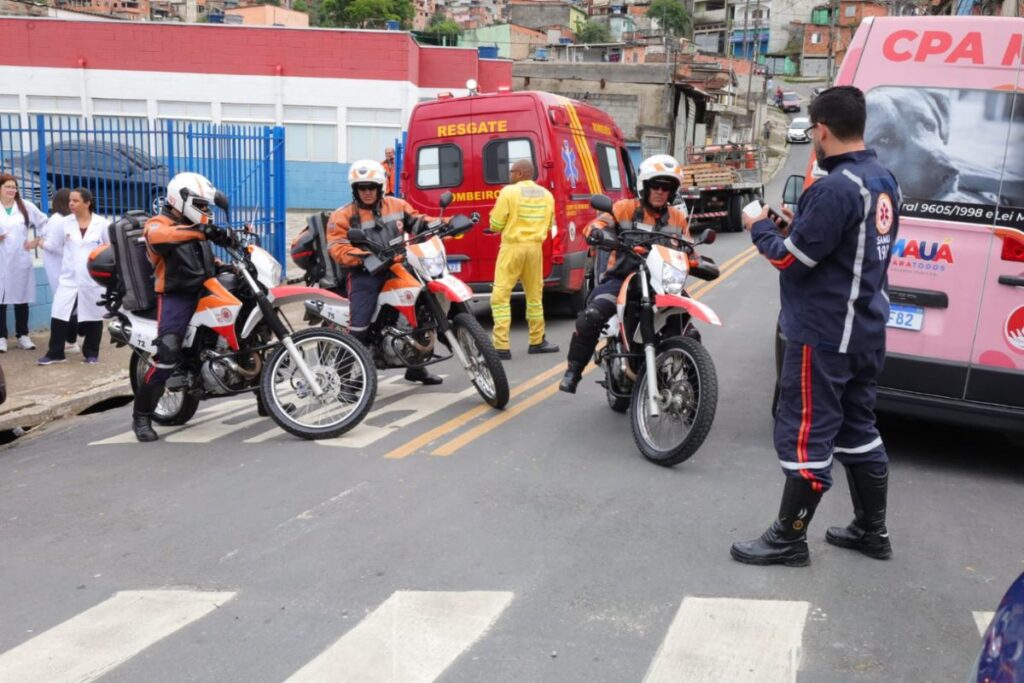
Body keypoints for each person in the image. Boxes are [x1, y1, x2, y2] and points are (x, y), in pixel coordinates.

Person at [731, 86, 901, 567]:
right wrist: (794, 225)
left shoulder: (833, 189)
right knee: (857, 429)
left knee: (806, 432)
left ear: (821, 130)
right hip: (865, 329)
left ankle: (788, 537)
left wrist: (758, 227)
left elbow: (791, 260)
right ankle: (872, 530)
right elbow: (841, 248)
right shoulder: (883, 180)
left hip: (824, 334)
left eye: (813, 134)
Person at [559, 154, 690, 394]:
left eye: (667, 187)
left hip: (662, 281)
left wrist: (698, 259)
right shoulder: (624, 208)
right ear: (645, 187)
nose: (661, 192)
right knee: (591, 316)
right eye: (656, 186)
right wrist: (599, 234)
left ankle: (691, 387)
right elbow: (595, 225)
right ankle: (573, 371)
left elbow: (687, 247)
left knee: (689, 327)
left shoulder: (678, 217)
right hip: (623, 280)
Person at [326, 159, 442, 385]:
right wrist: (364, 258)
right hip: (365, 272)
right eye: (362, 188)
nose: (367, 192)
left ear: (380, 187)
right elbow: (337, 247)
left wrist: (443, 223)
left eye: (371, 187)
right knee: (359, 325)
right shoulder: (343, 215)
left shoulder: (397, 205)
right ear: (355, 189)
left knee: (422, 312)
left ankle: (416, 368)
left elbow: (417, 222)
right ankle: (342, 376)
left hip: (398, 265)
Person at [131, 172, 225, 442]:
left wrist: (223, 261)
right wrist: (202, 231)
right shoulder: (159, 224)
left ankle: (264, 399)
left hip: (207, 287)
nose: (205, 211)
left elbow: (200, 254)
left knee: (245, 330)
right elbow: (162, 237)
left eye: (207, 206)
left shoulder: (193, 224)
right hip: (176, 294)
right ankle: (142, 417)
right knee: (168, 353)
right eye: (201, 204)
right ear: (180, 200)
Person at [489, 158, 559, 360]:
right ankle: (537, 341)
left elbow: (495, 223)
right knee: (534, 295)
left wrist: (496, 223)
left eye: (512, 171)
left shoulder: (508, 192)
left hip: (512, 247)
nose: (510, 175)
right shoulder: (547, 195)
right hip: (534, 249)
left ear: (520, 173)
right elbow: (548, 226)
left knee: (500, 295)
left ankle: (501, 346)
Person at [35, 188, 109, 365]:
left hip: (92, 278)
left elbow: (109, 248)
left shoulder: (102, 224)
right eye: (70, 200)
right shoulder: (64, 223)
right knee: (59, 313)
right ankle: (55, 353)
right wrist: (40, 243)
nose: (71, 204)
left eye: (75, 201)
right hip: (68, 277)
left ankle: (91, 353)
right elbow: (55, 245)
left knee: (94, 315)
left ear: (87, 203)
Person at [0, 173, 48, 353]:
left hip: (20, 259)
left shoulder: (25, 206)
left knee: (21, 298)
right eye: (8, 186)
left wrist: (36, 241)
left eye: (14, 187)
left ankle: (23, 335)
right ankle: (1, 337)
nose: (12, 190)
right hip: (1, 259)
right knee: (0, 300)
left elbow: (45, 223)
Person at [36, 189, 78, 354]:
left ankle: (70, 341)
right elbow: (60, 246)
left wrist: (41, 242)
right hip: (63, 267)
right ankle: (70, 341)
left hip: (62, 268)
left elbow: (55, 245)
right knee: (70, 306)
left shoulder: (61, 220)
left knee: (68, 306)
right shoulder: (64, 220)